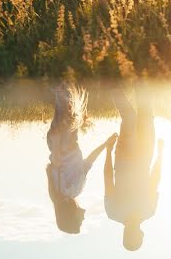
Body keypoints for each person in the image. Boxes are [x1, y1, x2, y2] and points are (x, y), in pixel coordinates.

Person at [45, 83, 117, 234]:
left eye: (80, 221)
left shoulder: (65, 191)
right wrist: (106, 144)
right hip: (67, 142)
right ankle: (58, 74)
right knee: (69, 101)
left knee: (64, 97)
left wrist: (58, 138)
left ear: (71, 216)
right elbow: (89, 163)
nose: (83, 219)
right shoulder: (69, 192)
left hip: (62, 143)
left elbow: (56, 162)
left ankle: (52, 73)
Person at [104, 87, 164, 251]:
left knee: (136, 115)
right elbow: (108, 178)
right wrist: (108, 151)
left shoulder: (147, 211)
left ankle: (111, 76)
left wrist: (161, 154)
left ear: (140, 235)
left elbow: (155, 178)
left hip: (138, 155)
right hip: (137, 156)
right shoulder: (114, 212)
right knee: (141, 114)